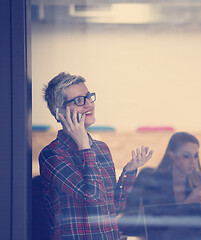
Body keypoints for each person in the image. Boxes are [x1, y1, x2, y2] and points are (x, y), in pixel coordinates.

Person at [39, 72, 153, 240]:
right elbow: (94, 199)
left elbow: (113, 209)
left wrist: (129, 171)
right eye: (79, 100)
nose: (89, 104)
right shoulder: (52, 156)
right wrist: (84, 145)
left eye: (88, 97)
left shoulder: (101, 149)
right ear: (60, 112)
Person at [121, 132, 201, 240]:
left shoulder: (198, 182)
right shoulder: (151, 179)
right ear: (172, 155)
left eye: (196, 156)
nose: (193, 162)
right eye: (186, 156)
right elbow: (155, 229)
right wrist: (189, 203)